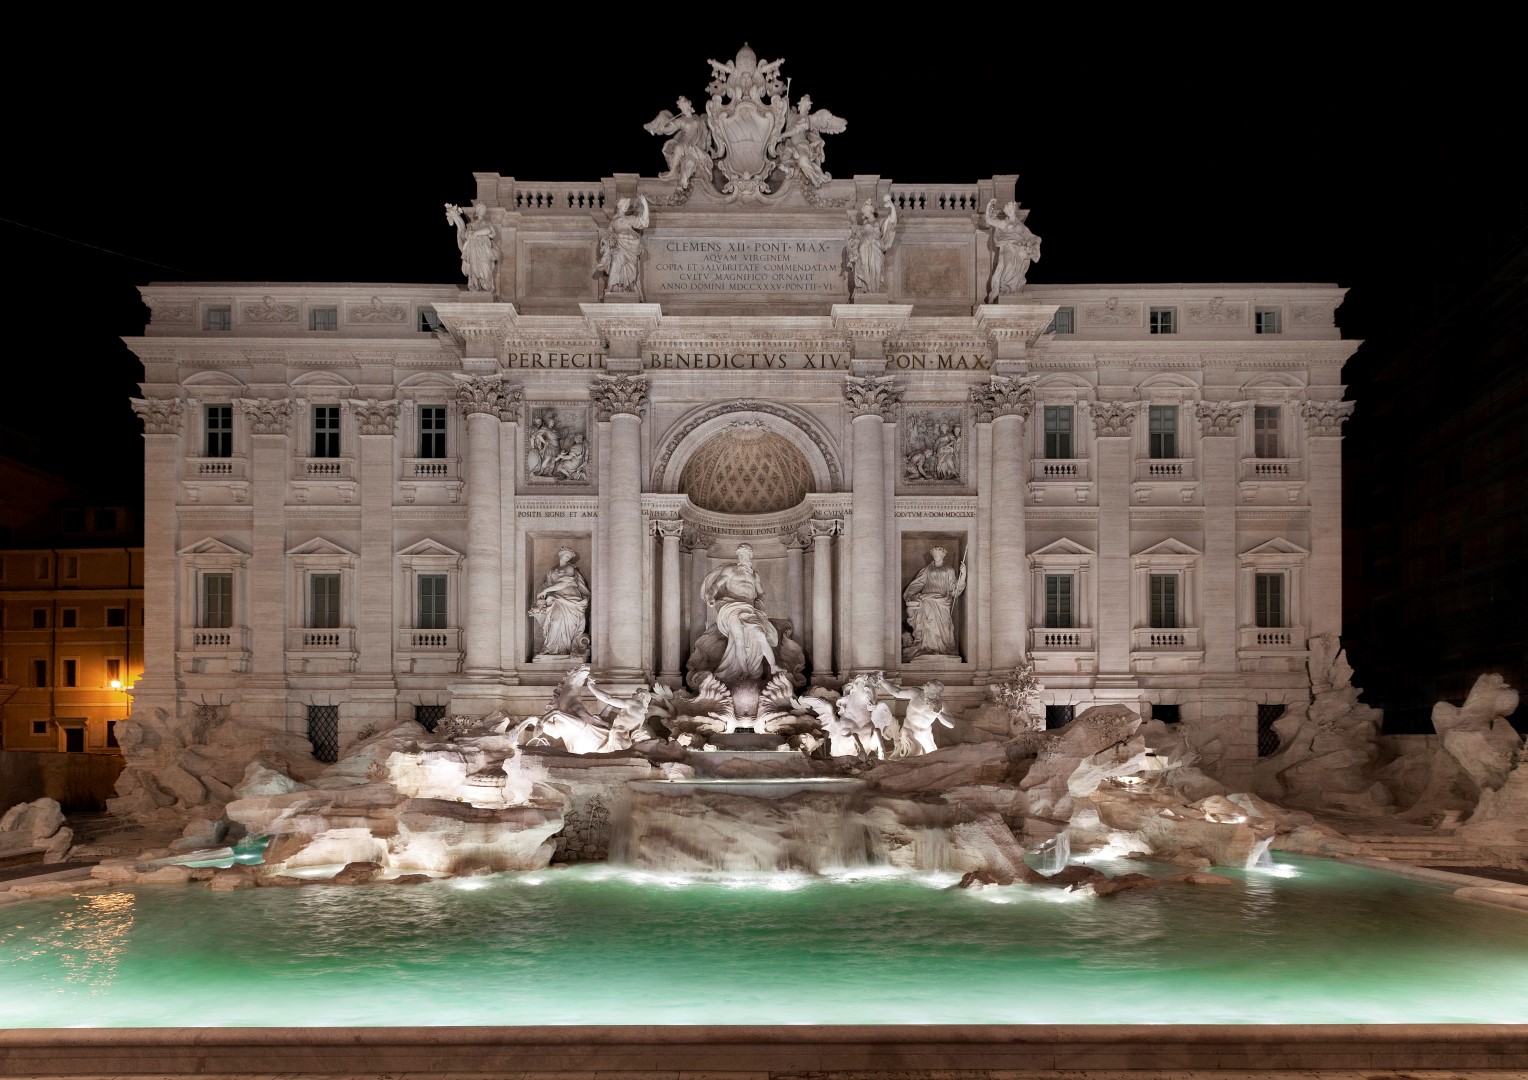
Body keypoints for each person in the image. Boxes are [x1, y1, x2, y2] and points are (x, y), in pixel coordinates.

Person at [700, 542, 780, 683]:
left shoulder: (755, 575)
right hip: (731, 607)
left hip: (749, 609)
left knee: (760, 634)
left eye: (747, 554)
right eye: (741, 554)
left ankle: (773, 666)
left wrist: (758, 602)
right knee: (739, 639)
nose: (744, 557)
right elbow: (715, 585)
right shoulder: (729, 570)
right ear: (738, 555)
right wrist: (711, 596)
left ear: (751, 556)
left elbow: (762, 593)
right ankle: (743, 671)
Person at [903, 546, 967, 659]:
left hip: (943, 602)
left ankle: (943, 648)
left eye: (939, 554)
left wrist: (963, 576)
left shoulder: (949, 569)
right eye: (935, 555)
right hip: (927, 599)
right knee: (928, 624)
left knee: (945, 625)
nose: (936, 557)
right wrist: (910, 596)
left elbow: (954, 589)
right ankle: (928, 648)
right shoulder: (927, 569)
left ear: (943, 556)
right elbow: (918, 583)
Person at [528, 546, 590, 657]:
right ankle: (550, 648)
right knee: (555, 622)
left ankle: (564, 649)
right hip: (556, 599)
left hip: (570, 599)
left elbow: (564, 583)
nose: (568, 558)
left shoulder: (570, 568)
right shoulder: (552, 570)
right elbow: (547, 584)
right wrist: (542, 591)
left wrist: (547, 590)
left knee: (566, 625)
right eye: (566, 555)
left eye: (570, 557)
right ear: (560, 554)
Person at [644, 97, 713, 190]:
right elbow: (672, 126)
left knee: (690, 161)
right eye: (681, 107)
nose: (682, 109)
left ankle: (682, 180)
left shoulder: (696, 117)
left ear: (689, 104)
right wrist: (663, 128)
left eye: (684, 106)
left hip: (694, 143)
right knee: (678, 148)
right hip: (684, 141)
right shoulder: (681, 120)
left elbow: (704, 129)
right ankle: (672, 172)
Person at [877, 676, 956, 756]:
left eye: (937, 693)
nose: (934, 695)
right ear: (926, 688)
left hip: (924, 733)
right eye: (932, 692)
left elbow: (951, 724)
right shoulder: (915, 693)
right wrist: (883, 681)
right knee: (913, 755)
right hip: (908, 731)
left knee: (934, 756)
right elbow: (897, 692)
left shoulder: (942, 704)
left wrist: (938, 713)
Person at [983, 198, 1042, 302]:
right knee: (1009, 265)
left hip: (1019, 251)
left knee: (1018, 270)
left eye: (1011, 208)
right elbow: (989, 220)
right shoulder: (1004, 223)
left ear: (1014, 210)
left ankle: (1013, 290)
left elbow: (1031, 237)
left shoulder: (1022, 226)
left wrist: (1035, 242)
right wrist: (989, 206)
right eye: (1008, 209)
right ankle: (1004, 288)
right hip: (1008, 247)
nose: (1009, 211)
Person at [595, 195, 650, 295]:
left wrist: (645, 205)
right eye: (624, 204)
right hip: (619, 245)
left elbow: (644, 222)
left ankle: (627, 286)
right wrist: (607, 240)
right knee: (616, 261)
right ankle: (611, 286)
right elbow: (608, 234)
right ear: (619, 205)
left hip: (631, 246)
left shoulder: (630, 219)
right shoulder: (614, 221)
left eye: (627, 205)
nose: (626, 206)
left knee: (628, 268)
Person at [845, 195, 897, 295]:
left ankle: (876, 291)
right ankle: (869, 288)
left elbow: (892, 220)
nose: (864, 213)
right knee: (864, 265)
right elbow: (855, 239)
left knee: (878, 269)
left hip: (876, 246)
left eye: (865, 211)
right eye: (864, 211)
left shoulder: (879, 222)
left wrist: (892, 207)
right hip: (864, 245)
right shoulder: (862, 227)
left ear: (870, 210)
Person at [444, 200, 499, 294]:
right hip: (473, 249)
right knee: (473, 269)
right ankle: (475, 286)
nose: (482, 210)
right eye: (480, 209)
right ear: (477, 211)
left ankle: (486, 286)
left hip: (484, 250)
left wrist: (476, 233)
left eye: (483, 209)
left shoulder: (487, 223)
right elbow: (464, 235)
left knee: (486, 270)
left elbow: (489, 230)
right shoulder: (470, 225)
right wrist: (457, 220)